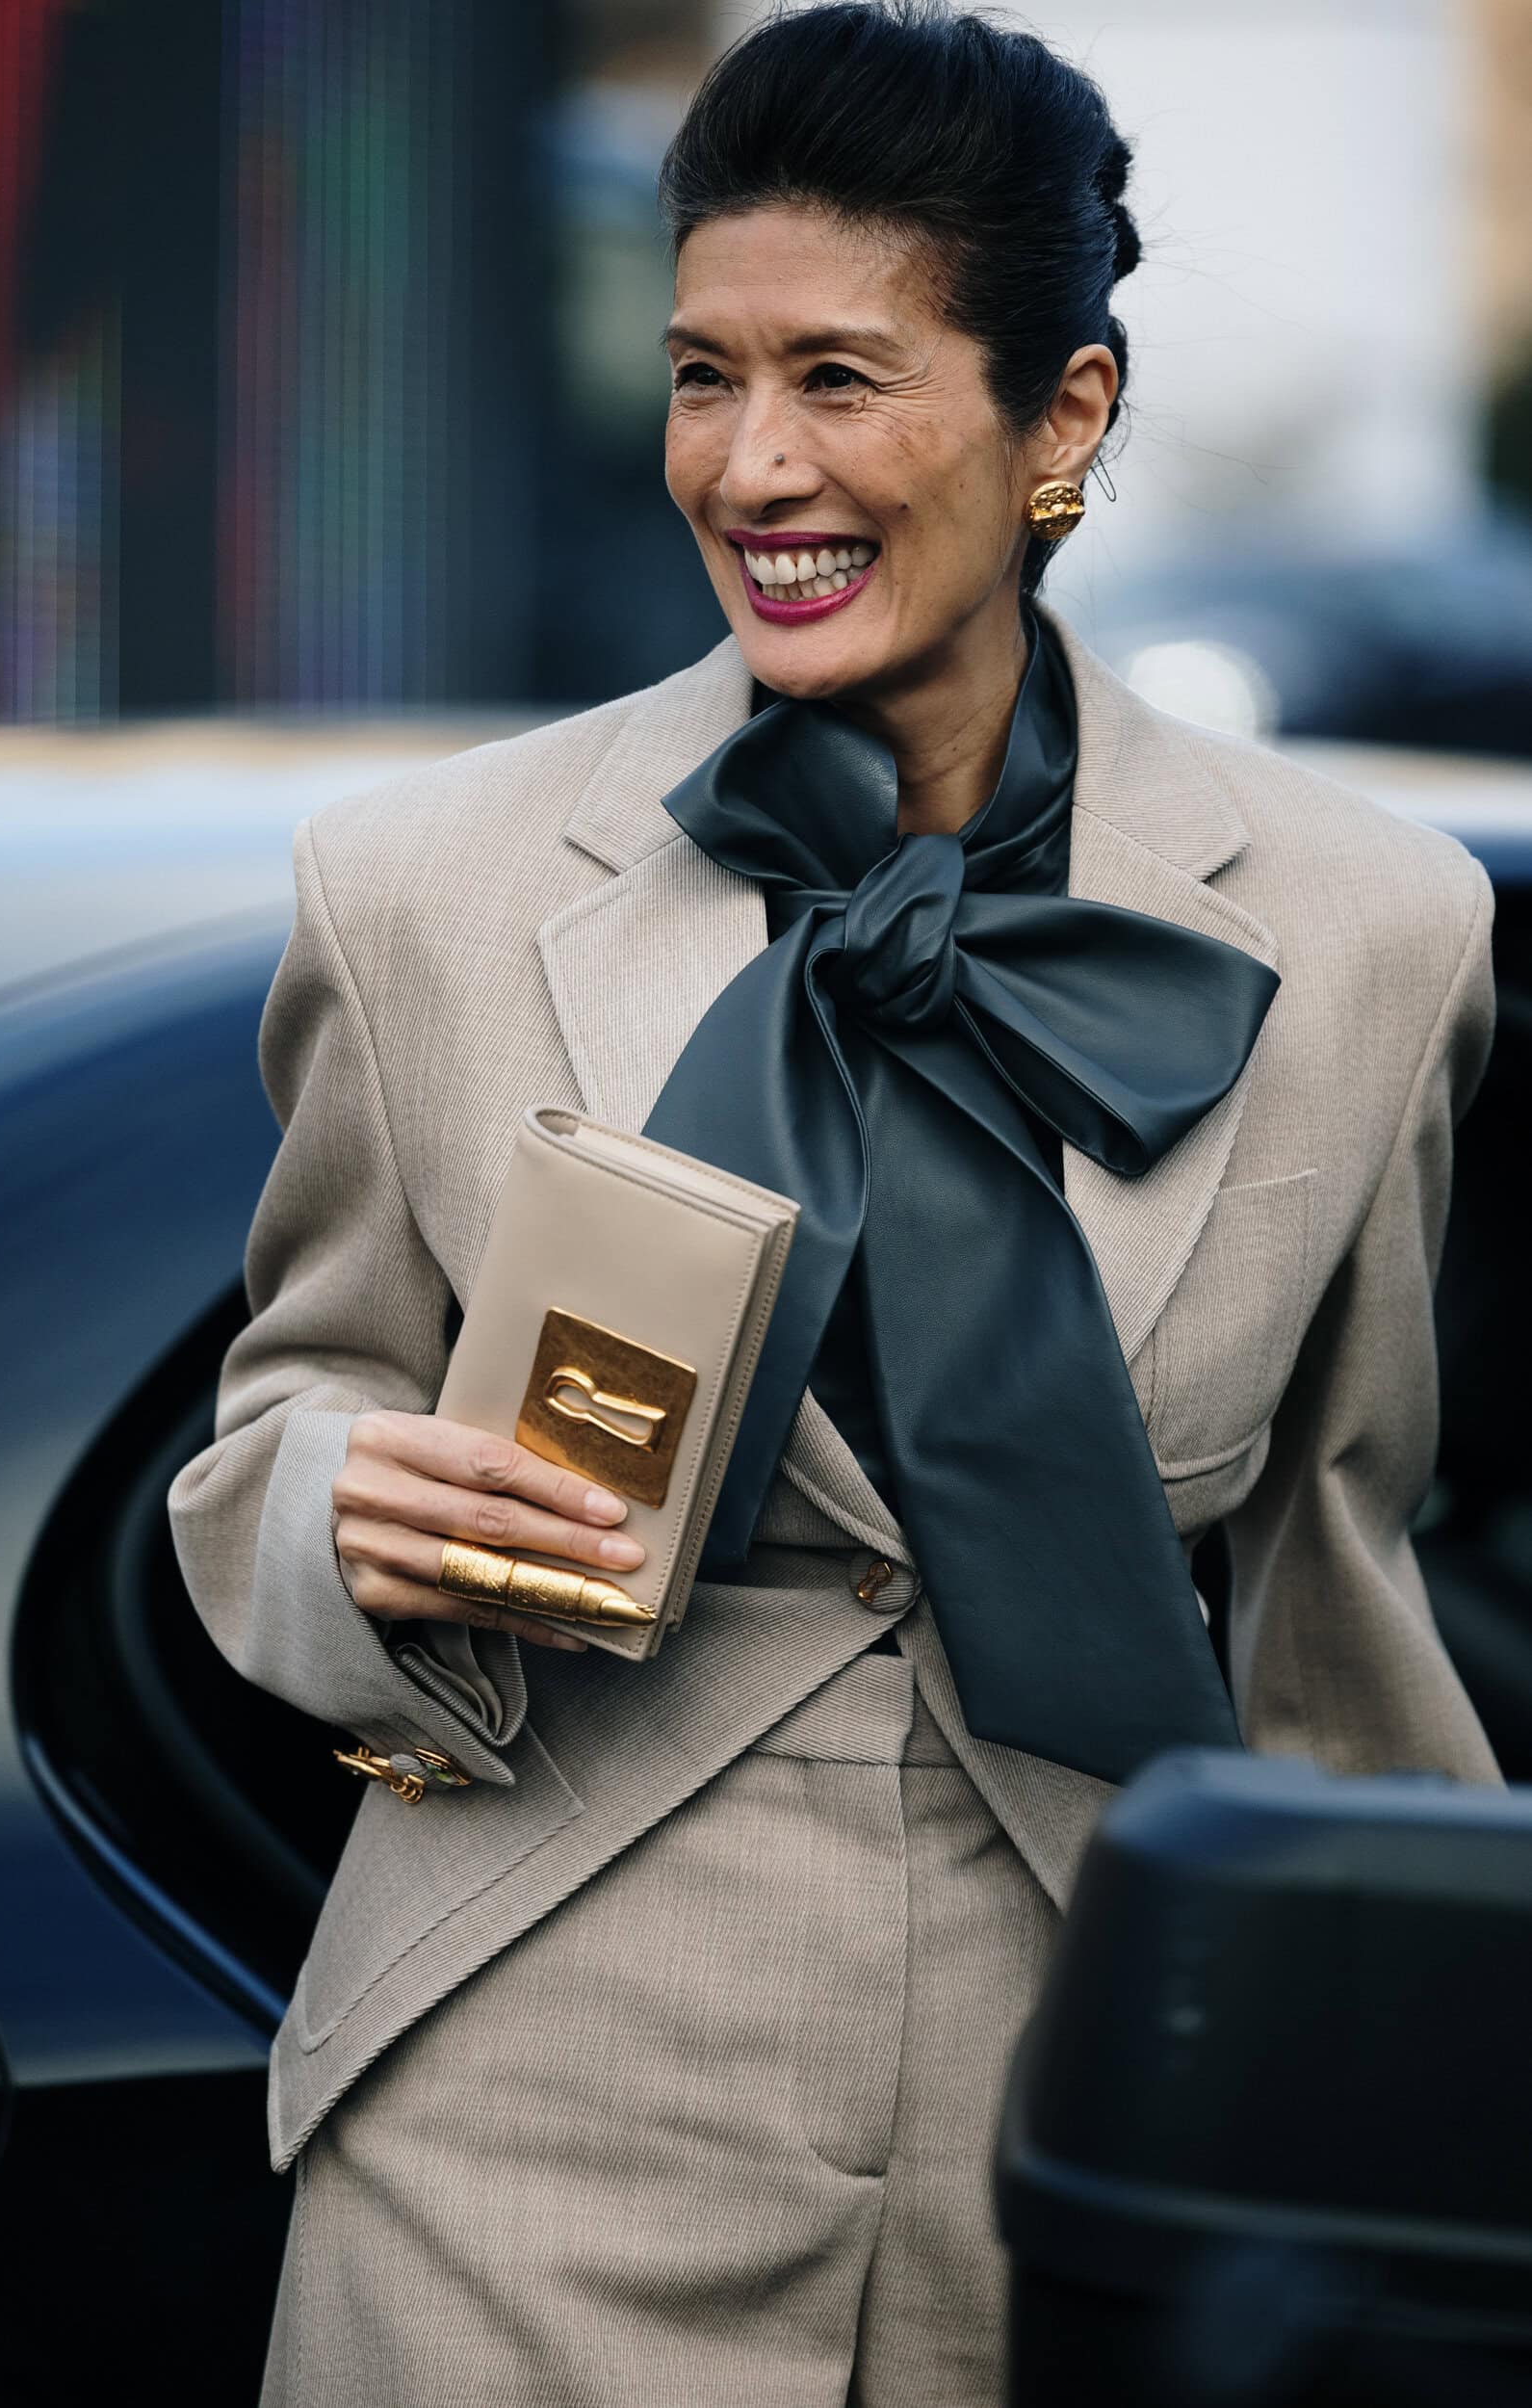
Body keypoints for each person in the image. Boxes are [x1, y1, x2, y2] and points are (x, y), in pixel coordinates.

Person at [168, 7, 1499, 2401]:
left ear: (1062, 415)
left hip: (1084, 2143)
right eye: (702, 374)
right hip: (523, 2130)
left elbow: (1336, 1588)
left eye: (841, 378)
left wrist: (1403, 2120)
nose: (752, 462)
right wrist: (349, 1509)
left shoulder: (1376, 927)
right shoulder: (422, 887)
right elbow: (287, 1414)